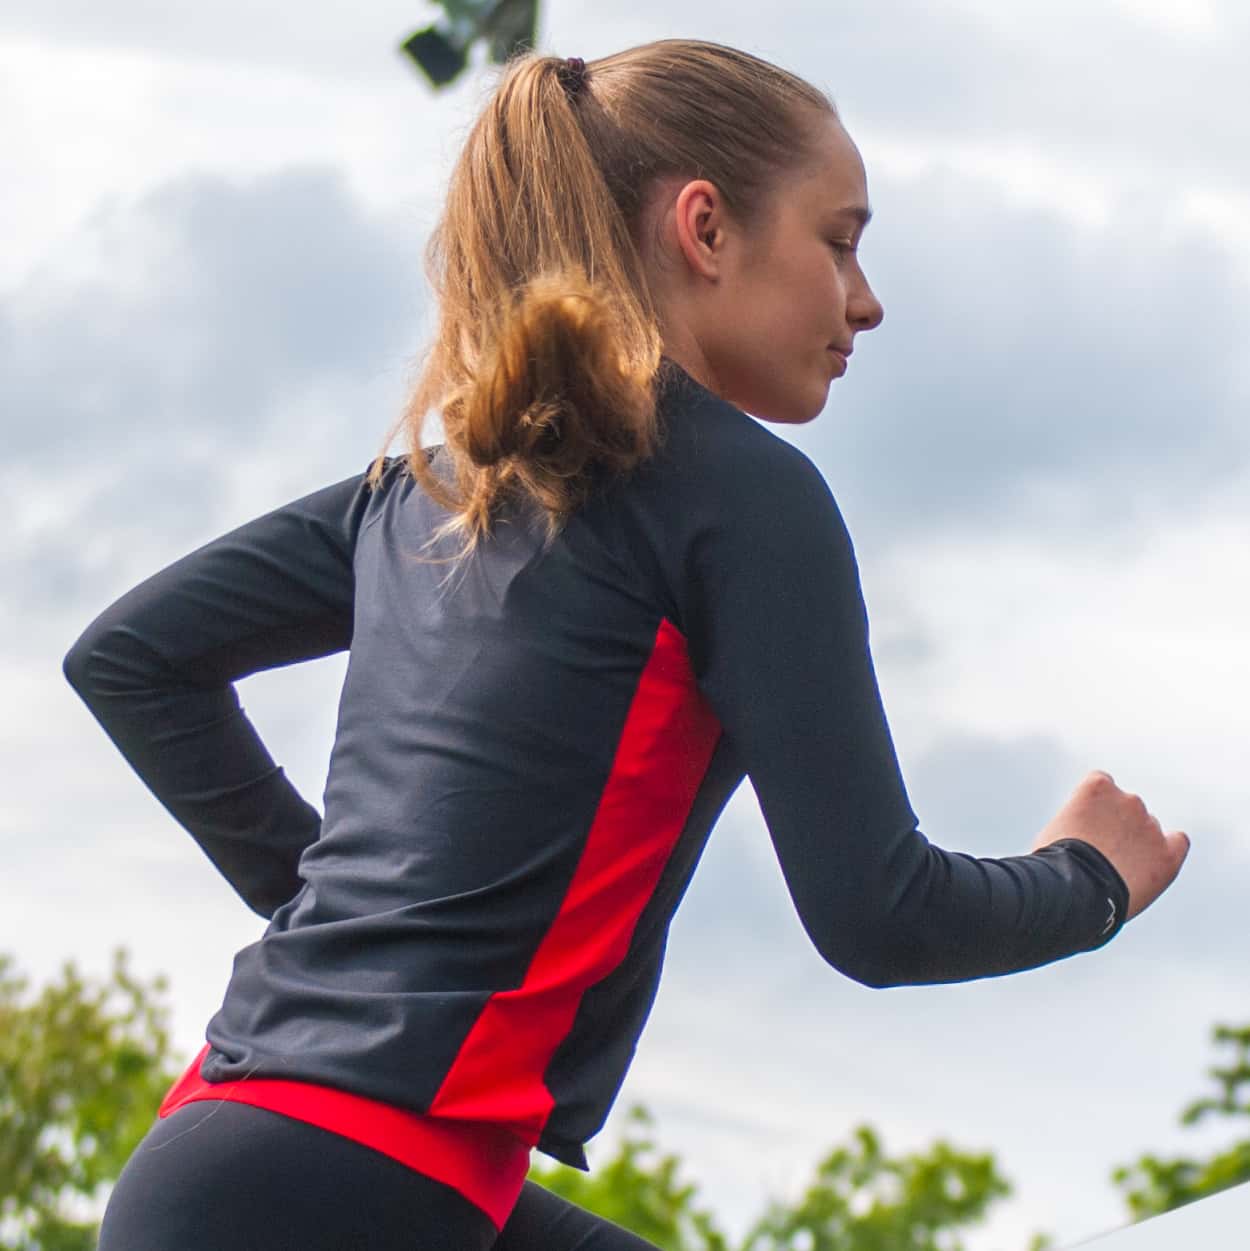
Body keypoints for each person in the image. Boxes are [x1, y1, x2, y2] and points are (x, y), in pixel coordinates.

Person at [64, 38, 1190, 1251]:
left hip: (235, 1158)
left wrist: (338, 925)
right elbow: (879, 913)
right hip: (350, 1190)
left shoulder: (430, 490)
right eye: (840, 240)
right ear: (704, 229)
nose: (864, 301)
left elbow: (132, 657)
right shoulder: (739, 499)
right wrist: (1087, 883)